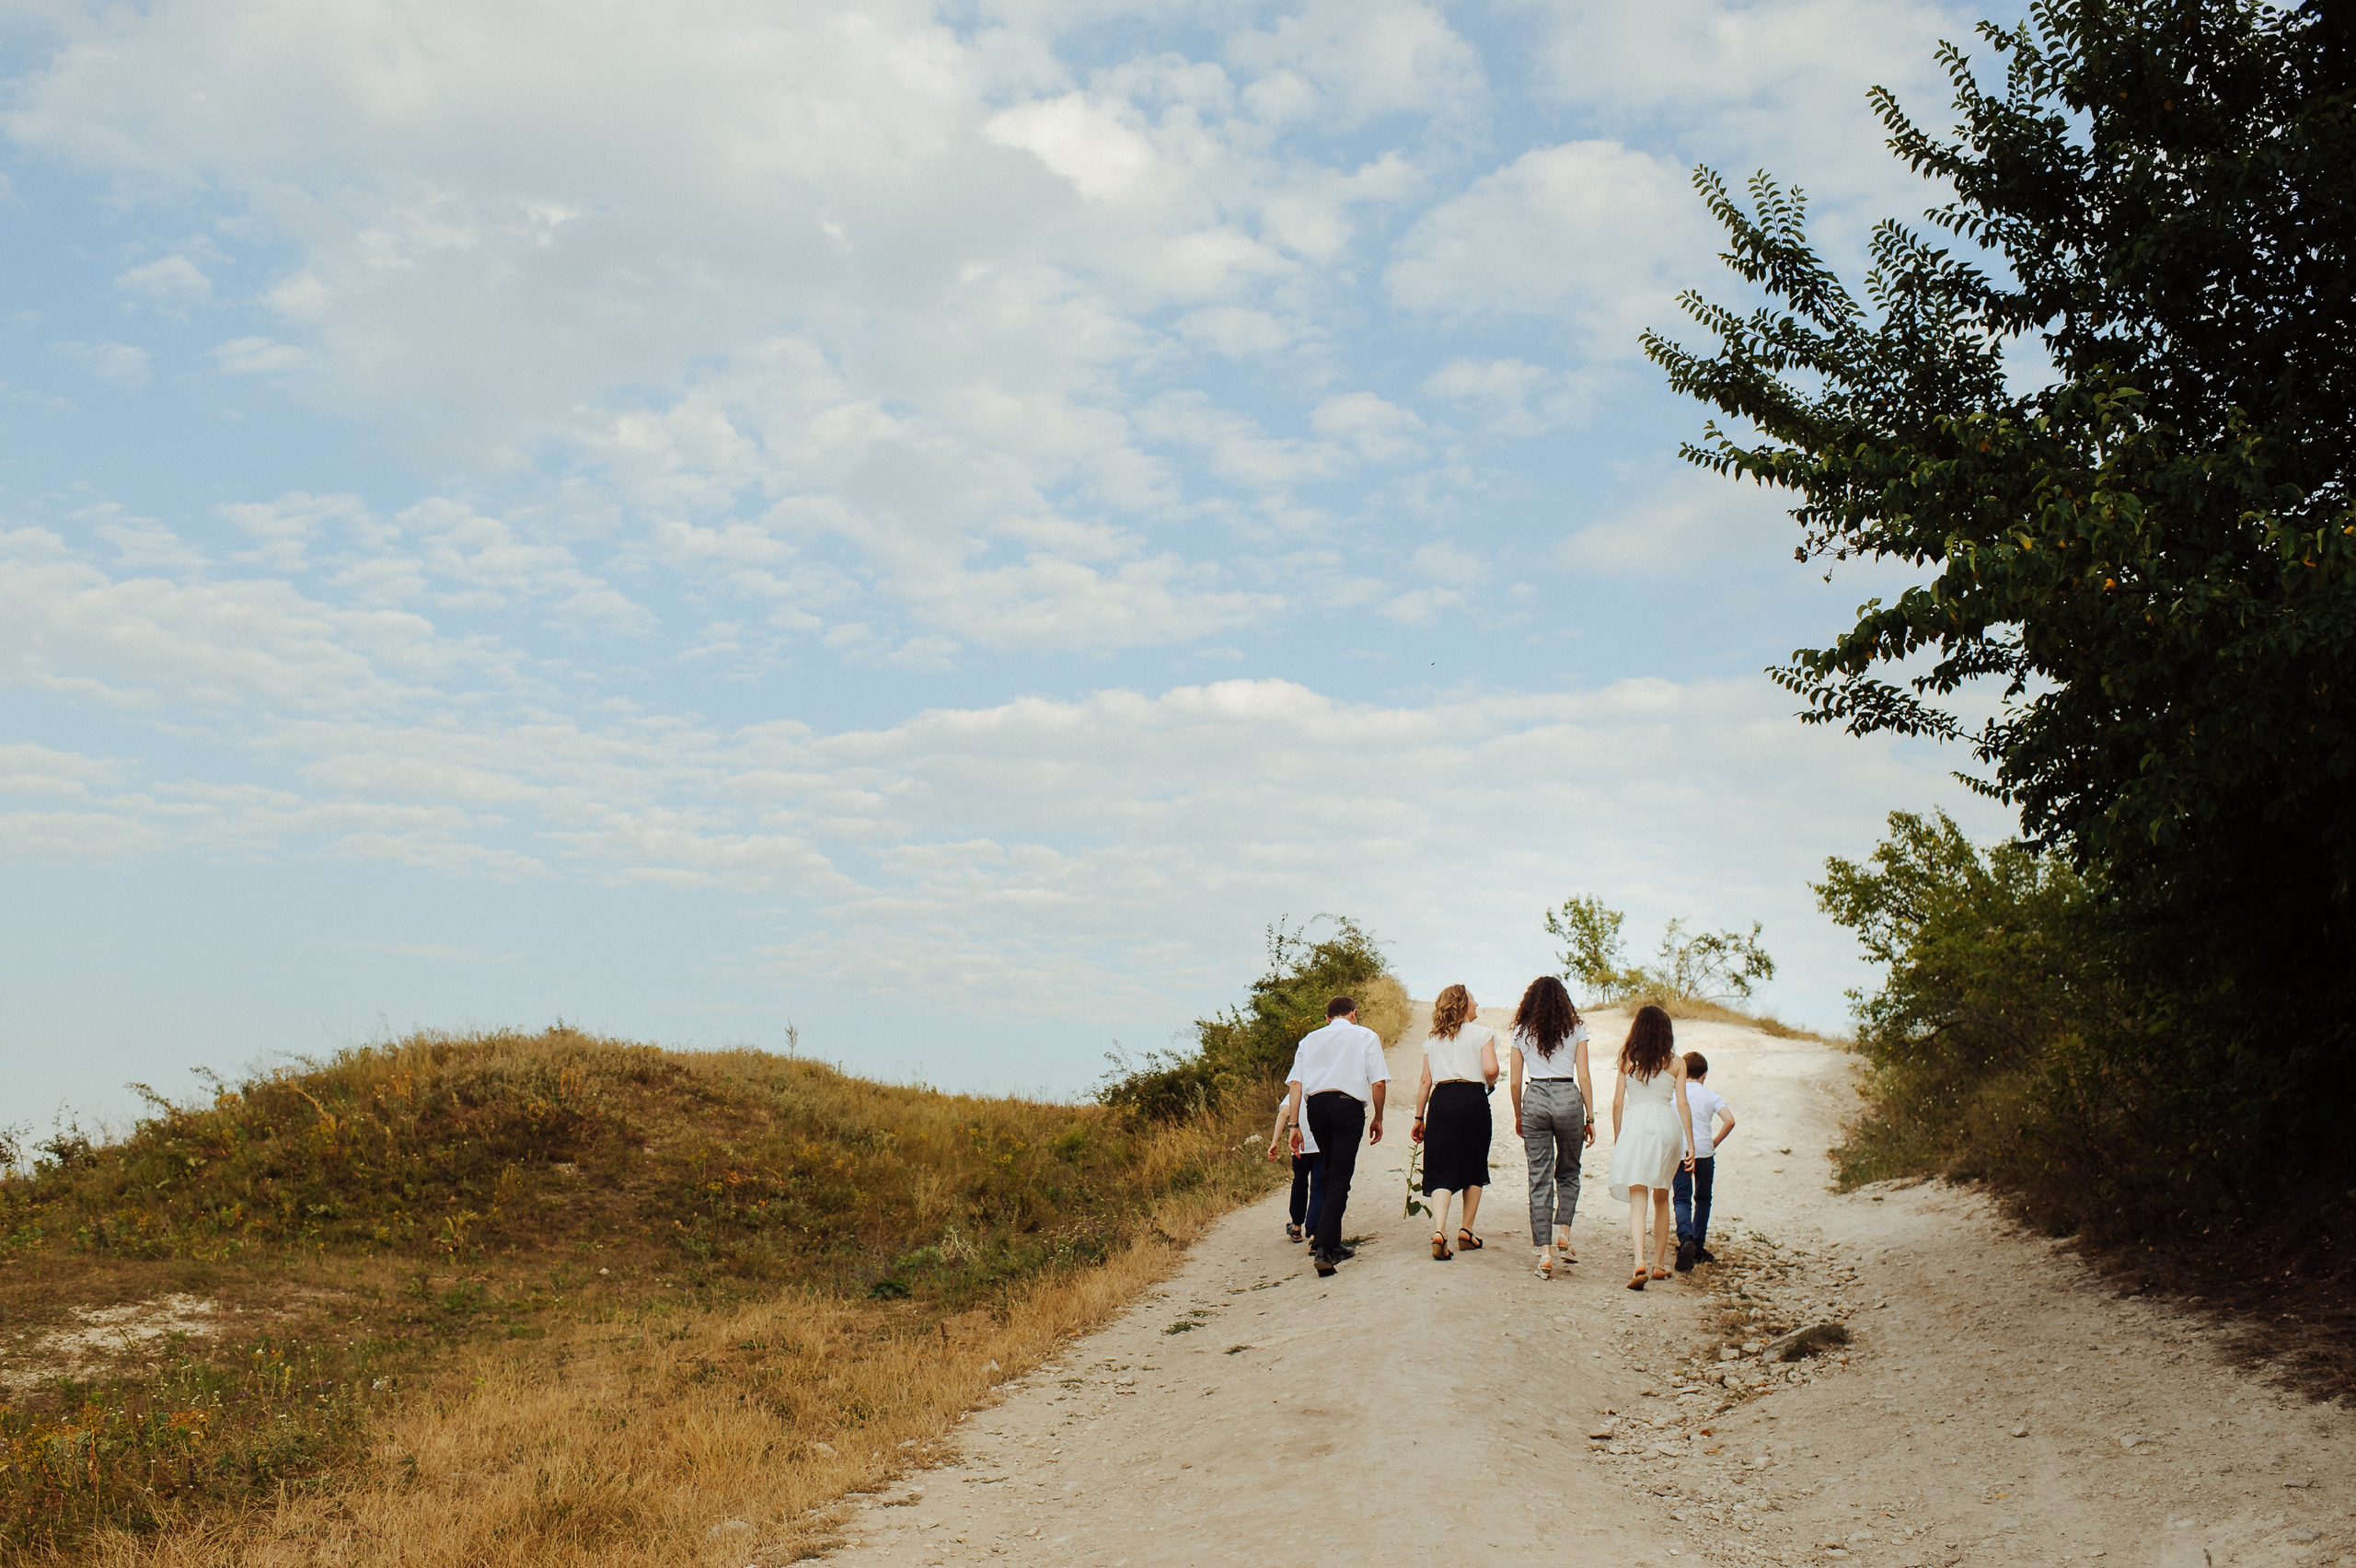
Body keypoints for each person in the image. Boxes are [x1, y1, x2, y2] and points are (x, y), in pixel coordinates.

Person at [1273, 995, 1389, 1277]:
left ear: (1327, 1018)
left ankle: (1333, 1243)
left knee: (1327, 1169)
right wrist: (1378, 1117)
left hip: (1316, 1109)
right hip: (1347, 1107)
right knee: (1339, 1177)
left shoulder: (1309, 1040)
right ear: (1353, 1014)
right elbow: (1379, 1082)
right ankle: (1323, 1247)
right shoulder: (1366, 1036)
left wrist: (1296, 1125)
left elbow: (1297, 1085)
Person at [1605, 1004, 1698, 1290]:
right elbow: (1682, 1104)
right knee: (1662, 1196)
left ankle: (1639, 1261)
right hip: (1666, 1126)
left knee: (1638, 1196)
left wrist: (1619, 1137)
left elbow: (1618, 1103)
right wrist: (1691, 1144)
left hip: (1636, 1124)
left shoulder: (1627, 1060)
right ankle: (1659, 1264)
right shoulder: (1677, 1063)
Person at [1507, 975, 1594, 1280]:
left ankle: (1544, 1253)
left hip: (1535, 1098)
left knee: (1539, 1177)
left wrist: (1520, 1114)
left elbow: (1515, 1081)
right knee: (1569, 1171)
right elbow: (1583, 1076)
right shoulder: (1576, 1029)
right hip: (1568, 1096)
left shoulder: (1520, 1031)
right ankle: (1564, 1232)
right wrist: (1590, 1117)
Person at [1411, 984, 1498, 1260]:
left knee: (1440, 1165)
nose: (1477, 1004)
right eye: (1473, 1000)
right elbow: (1491, 1069)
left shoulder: (1433, 1039)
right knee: (1474, 1162)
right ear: (1462, 1005)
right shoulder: (1483, 1034)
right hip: (1472, 1099)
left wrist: (1418, 1117)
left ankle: (1439, 1231)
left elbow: (1425, 1080)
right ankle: (1466, 1230)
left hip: (1442, 1100)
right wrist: (1491, 1081)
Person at [1672, 1051, 1736, 1271]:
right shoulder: (1711, 1095)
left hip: (1681, 1152)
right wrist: (1714, 1142)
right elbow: (1729, 1120)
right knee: (1703, 1198)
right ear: (1704, 1074)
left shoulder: (1674, 1095)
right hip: (1705, 1152)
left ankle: (1685, 1238)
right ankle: (1698, 1246)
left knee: (1681, 1198)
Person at [1268, 1091, 1322, 1243]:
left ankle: (1297, 1226)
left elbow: (1284, 1112)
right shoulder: (1320, 1089)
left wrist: (1275, 1141)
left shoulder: (1295, 1092)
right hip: (1320, 1146)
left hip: (1299, 1147)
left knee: (1300, 1183)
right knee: (1318, 1187)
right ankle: (1314, 1234)